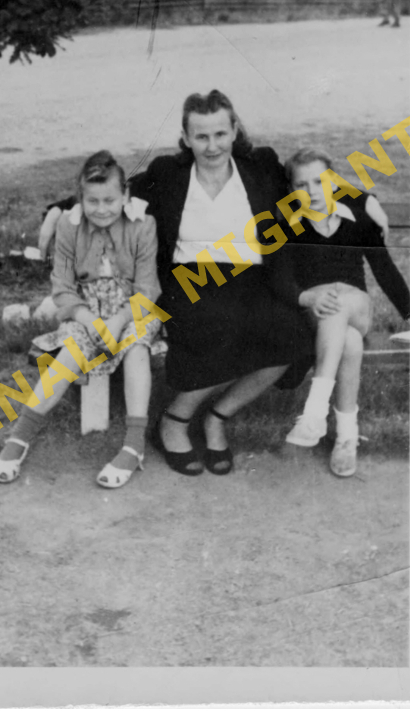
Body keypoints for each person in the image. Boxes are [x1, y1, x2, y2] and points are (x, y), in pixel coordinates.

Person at [129, 90, 313, 477]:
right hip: (190, 281)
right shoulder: (168, 173)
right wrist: (59, 212)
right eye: (201, 136)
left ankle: (217, 416)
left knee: (293, 332)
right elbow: (117, 191)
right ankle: (174, 421)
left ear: (234, 130)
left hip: (252, 278)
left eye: (220, 134)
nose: (212, 146)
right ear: (186, 137)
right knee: (217, 323)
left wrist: (364, 201)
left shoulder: (261, 166)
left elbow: (312, 186)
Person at [0, 151, 162, 489]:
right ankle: (20, 435)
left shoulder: (143, 224)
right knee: (70, 352)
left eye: (110, 200)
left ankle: (134, 445)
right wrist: (90, 320)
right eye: (92, 201)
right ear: (80, 199)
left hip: (132, 310)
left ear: (125, 195)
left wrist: (118, 321)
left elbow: (147, 290)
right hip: (85, 310)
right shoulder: (69, 227)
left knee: (137, 347)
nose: (102, 209)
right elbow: (64, 289)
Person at [273, 148, 410, 477]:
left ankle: (315, 412)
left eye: (320, 182)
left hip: (358, 307)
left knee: (341, 303)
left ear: (334, 182)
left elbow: (386, 271)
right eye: (301, 185)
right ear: (291, 190)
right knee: (348, 340)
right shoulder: (287, 227)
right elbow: (279, 279)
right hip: (316, 313)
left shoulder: (357, 219)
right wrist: (308, 297)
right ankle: (346, 436)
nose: (312, 191)